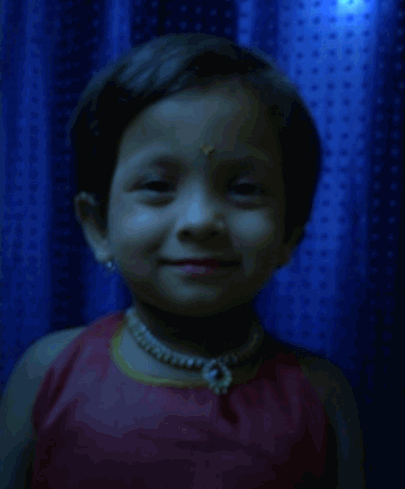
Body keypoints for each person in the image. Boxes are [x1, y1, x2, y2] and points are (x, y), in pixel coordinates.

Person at [26, 34, 363, 488]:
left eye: (244, 189)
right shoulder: (49, 373)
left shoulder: (322, 394)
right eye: (157, 186)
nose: (201, 221)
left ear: (291, 233)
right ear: (98, 226)